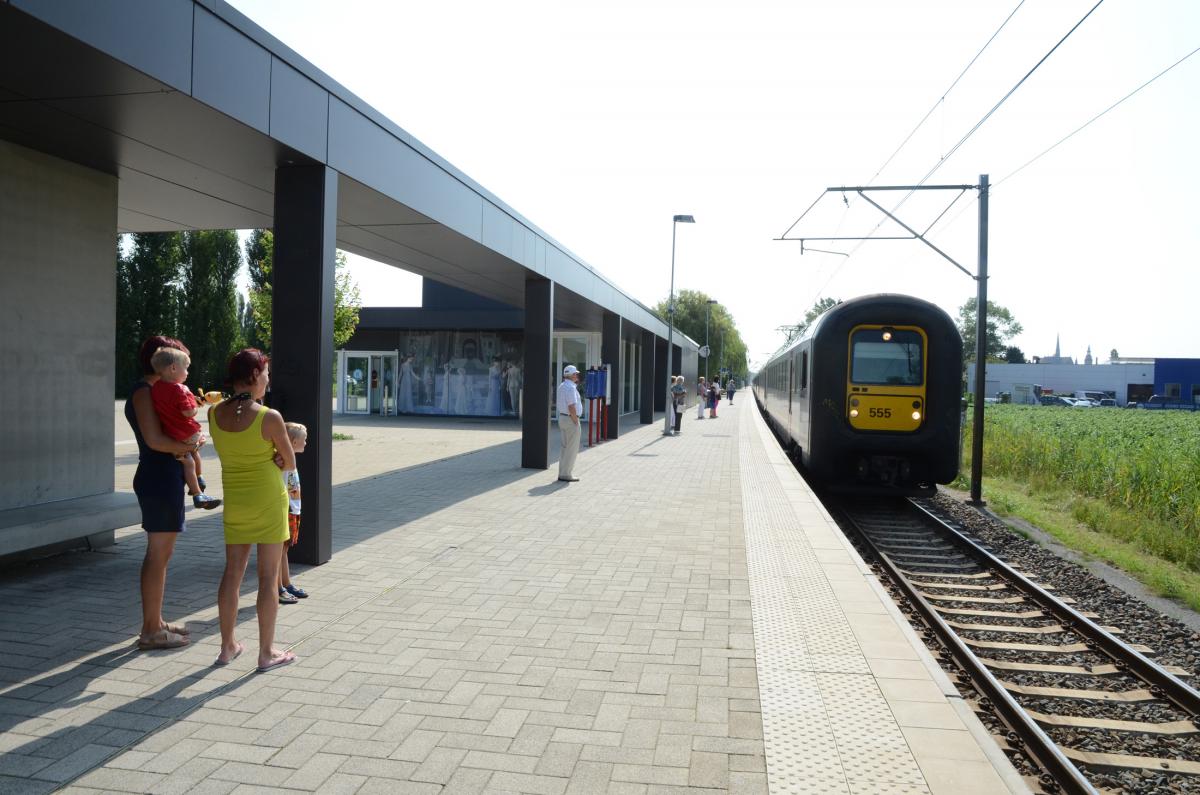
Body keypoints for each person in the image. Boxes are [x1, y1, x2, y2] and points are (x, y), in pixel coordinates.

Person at [208, 348, 297, 672]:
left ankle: (227, 646)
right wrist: (275, 455)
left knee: (232, 574)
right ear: (255, 375)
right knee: (267, 577)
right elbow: (289, 461)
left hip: (236, 503)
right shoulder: (269, 417)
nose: (268, 380)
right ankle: (266, 653)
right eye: (267, 374)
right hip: (268, 502)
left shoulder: (214, 413)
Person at [126, 335, 202, 651]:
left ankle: (155, 621)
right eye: (179, 361)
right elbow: (155, 441)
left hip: (165, 475)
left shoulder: (158, 392)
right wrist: (190, 446)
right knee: (158, 555)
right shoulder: (145, 392)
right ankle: (150, 631)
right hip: (158, 476)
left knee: (162, 554)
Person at [149, 346, 221, 510]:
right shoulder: (180, 389)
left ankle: (197, 493)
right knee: (195, 450)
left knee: (187, 461)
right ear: (173, 368)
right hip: (188, 432)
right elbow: (188, 413)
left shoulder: (156, 388)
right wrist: (196, 405)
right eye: (186, 367)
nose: (187, 372)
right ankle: (200, 480)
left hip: (171, 434)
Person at [278, 422, 309, 605]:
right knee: (279, 550)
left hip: (292, 508)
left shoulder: (289, 459)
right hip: (285, 508)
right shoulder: (282, 459)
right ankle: (278, 587)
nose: (306, 442)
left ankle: (286, 583)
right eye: (304, 439)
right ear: (294, 441)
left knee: (284, 549)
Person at [557, 364, 582, 482]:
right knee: (572, 448)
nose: (577, 375)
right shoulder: (571, 388)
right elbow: (571, 406)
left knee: (564, 447)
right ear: (571, 375)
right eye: (576, 374)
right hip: (570, 419)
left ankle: (562, 472)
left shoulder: (562, 386)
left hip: (562, 418)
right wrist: (575, 420)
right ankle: (566, 474)